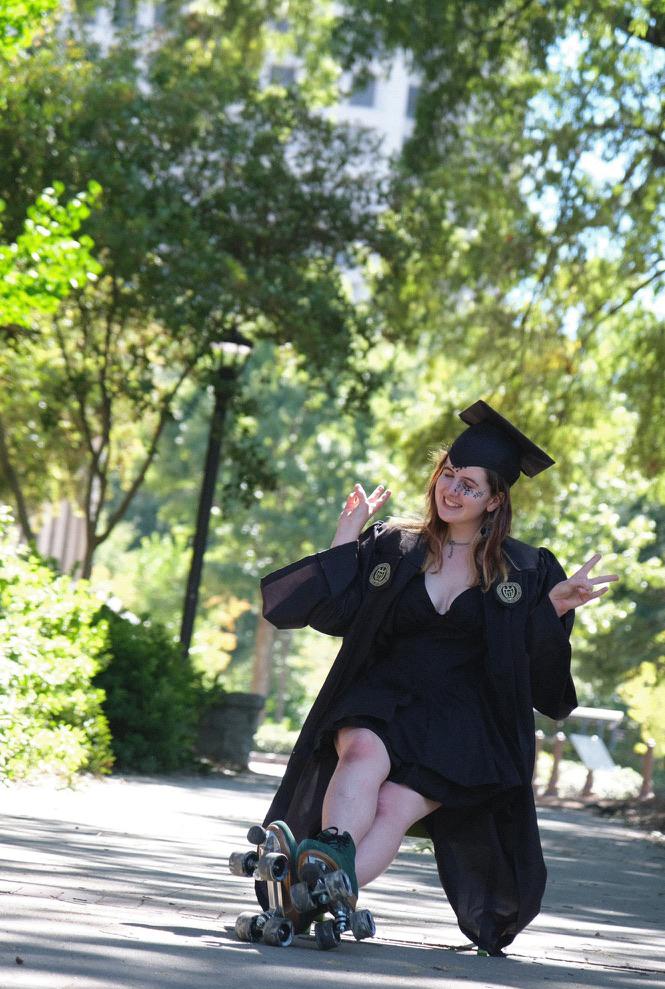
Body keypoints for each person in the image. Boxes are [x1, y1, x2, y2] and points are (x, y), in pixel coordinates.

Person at [255, 399, 618, 956]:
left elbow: (533, 671)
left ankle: (319, 890)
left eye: (470, 485)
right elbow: (332, 614)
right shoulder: (393, 546)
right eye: (448, 475)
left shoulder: (524, 569)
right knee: (361, 758)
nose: (452, 491)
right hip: (382, 696)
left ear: (496, 499)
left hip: (462, 721)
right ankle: (327, 866)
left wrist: (554, 609)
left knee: (397, 807)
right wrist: (346, 535)